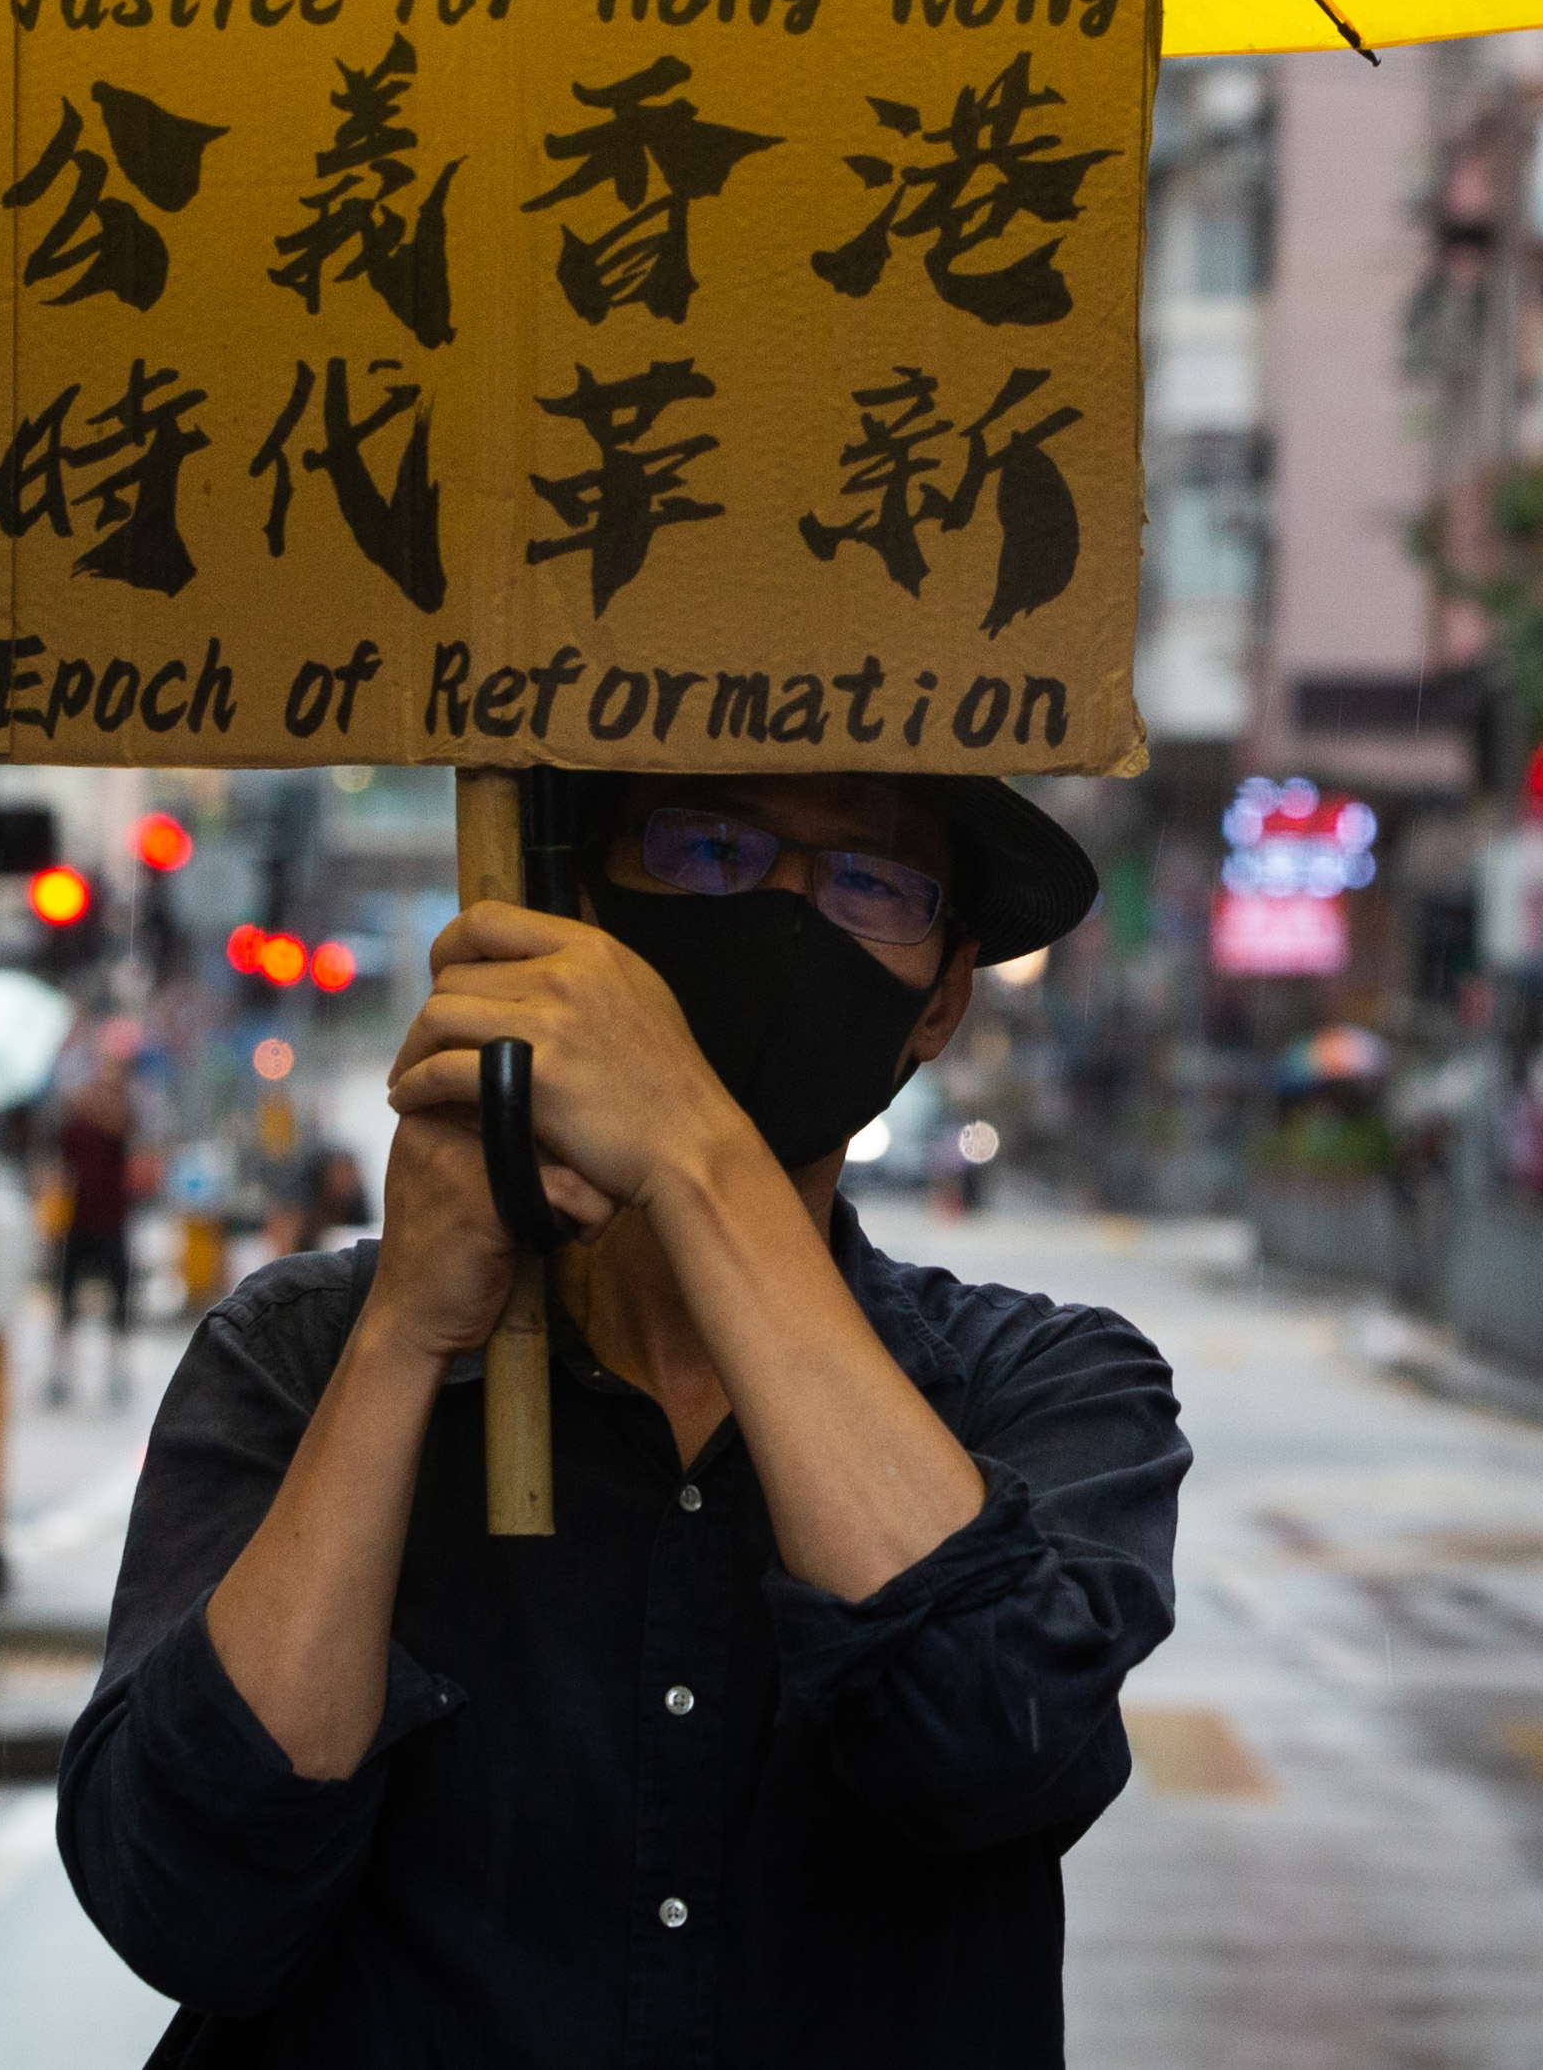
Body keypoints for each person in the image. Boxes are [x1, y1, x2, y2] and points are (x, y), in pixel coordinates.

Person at [58, 770, 1184, 2066]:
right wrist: (404, 1335)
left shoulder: (1040, 1387)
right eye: (710, 845)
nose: (786, 914)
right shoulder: (301, 1356)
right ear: (585, 901)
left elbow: (987, 1742)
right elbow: (189, 1906)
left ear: (940, 996)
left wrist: (691, 1146)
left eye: (867, 881)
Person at [49, 1050, 137, 1407]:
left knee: (119, 1303)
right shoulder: (75, 1127)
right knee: (66, 1302)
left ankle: (116, 1373)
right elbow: (58, 1163)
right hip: (78, 1222)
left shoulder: (120, 1116)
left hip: (112, 1223)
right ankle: (61, 1374)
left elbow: (120, 1124)